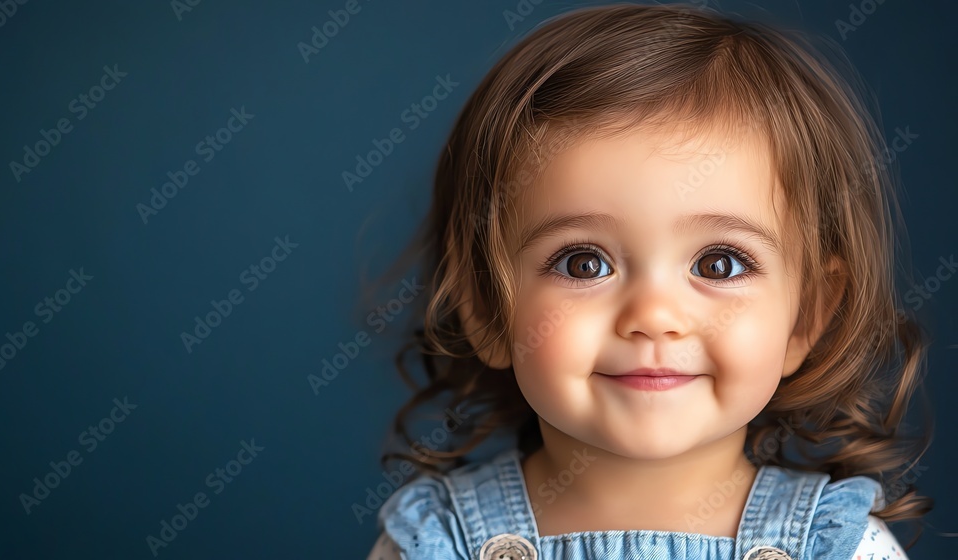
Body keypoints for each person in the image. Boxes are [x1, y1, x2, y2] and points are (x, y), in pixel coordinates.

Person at [365, 3, 932, 559]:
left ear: (806, 316)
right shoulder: (434, 543)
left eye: (719, 264)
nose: (653, 315)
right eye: (583, 263)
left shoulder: (840, 546)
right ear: (487, 307)